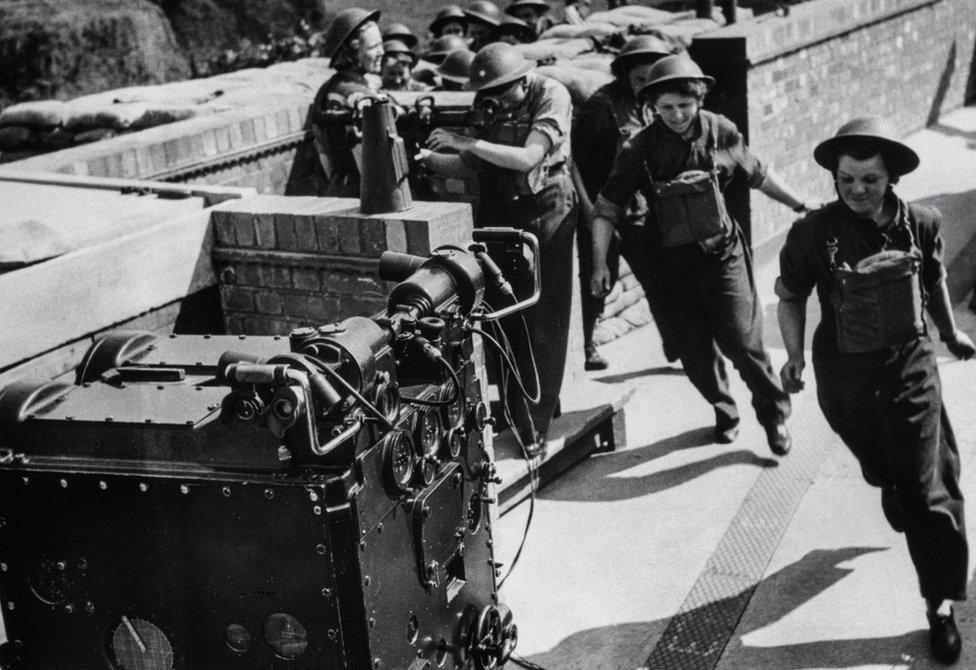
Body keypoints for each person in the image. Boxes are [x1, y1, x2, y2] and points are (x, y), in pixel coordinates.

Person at [776, 117, 973, 665]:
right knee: (885, 468)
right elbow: (789, 295)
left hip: (910, 364)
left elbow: (932, 279)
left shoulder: (923, 222)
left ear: (893, 179)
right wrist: (793, 356)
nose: (858, 192)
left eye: (871, 180)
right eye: (847, 181)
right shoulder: (814, 233)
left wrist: (950, 333)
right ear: (834, 179)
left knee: (928, 485)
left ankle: (938, 603)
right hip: (843, 378)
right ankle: (892, 481)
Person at [590, 55, 818, 452]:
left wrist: (800, 205)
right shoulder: (639, 149)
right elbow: (606, 209)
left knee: (744, 345)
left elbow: (758, 173)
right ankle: (724, 409)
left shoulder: (721, 131)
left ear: (698, 99)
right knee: (695, 357)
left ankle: (775, 414)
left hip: (723, 256)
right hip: (671, 268)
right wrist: (597, 264)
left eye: (684, 105)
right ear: (652, 107)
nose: (676, 115)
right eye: (666, 108)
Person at [418, 43, 576, 454]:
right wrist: (427, 158)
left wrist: (463, 142)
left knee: (544, 319)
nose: (499, 102)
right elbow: (469, 164)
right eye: (492, 94)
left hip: (547, 210)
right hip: (501, 210)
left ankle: (535, 425)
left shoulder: (552, 95)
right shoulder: (487, 103)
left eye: (507, 92)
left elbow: (527, 158)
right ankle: (517, 407)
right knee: (503, 315)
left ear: (524, 79)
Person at [572, 34, 673, 371]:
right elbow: (573, 162)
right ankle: (587, 346)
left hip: (640, 208)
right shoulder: (601, 107)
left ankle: (675, 340)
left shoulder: (653, 102)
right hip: (603, 209)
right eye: (639, 79)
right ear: (625, 73)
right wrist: (590, 214)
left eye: (652, 79)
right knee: (599, 279)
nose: (646, 86)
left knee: (658, 276)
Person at [300, 7, 384, 197]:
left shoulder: (332, 86)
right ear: (351, 53)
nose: (382, 52)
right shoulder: (348, 91)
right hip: (360, 191)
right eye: (373, 47)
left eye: (381, 45)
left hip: (344, 185)